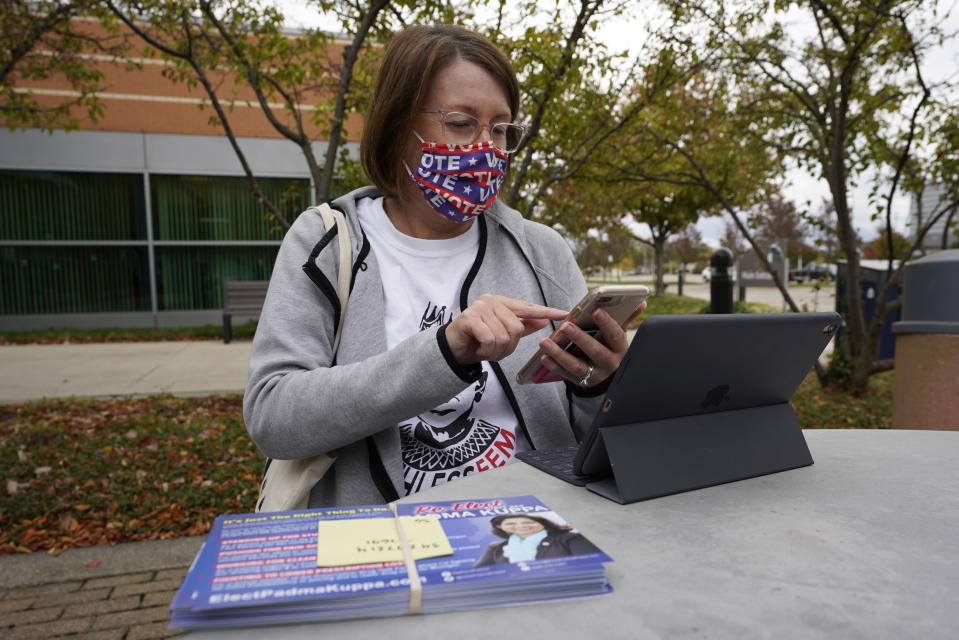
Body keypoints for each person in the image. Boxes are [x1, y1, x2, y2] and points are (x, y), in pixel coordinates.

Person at [244, 24, 643, 508]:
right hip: (381, 551)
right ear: (397, 127)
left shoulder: (541, 251)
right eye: (459, 123)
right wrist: (443, 354)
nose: (486, 148)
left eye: (501, 129)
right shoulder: (325, 243)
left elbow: (585, 436)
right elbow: (273, 418)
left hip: (530, 536)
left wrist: (598, 384)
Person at [473, 515, 601, 566]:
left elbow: (592, 564)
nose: (521, 526)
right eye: (511, 523)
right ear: (501, 527)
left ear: (543, 524)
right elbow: (479, 574)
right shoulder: (496, 547)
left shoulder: (570, 538)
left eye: (528, 522)